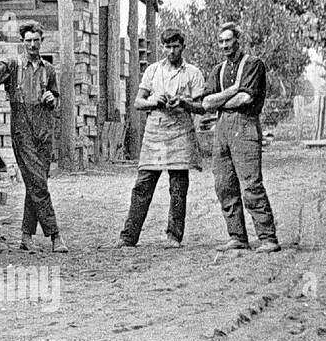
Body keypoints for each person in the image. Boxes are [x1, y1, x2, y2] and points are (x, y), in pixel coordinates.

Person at [114, 28, 207, 248]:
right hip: (155, 132)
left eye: (176, 46)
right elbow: (138, 102)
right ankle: (128, 236)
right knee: (143, 184)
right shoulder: (153, 71)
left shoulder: (192, 73)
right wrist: (155, 101)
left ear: (183, 47)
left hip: (180, 133)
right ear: (162, 47)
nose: (171, 51)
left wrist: (183, 103)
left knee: (178, 186)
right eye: (167, 47)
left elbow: (201, 107)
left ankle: (174, 236)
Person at [0, 21, 68, 252]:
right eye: (28, 41)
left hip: (44, 132)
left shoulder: (49, 70)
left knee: (36, 184)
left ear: (41, 42)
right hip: (22, 131)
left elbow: (56, 98)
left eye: (36, 40)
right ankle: (55, 236)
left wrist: (52, 100)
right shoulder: (14, 66)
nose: (33, 45)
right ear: (21, 42)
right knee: (38, 184)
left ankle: (26, 236)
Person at [202, 23, 280, 253]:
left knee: (250, 184)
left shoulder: (253, 64)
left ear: (238, 41)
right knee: (224, 185)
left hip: (245, 127)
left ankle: (268, 238)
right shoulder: (218, 70)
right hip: (222, 129)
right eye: (221, 41)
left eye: (229, 40)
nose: (225, 45)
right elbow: (206, 103)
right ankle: (237, 236)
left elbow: (245, 99)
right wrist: (231, 91)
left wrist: (222, 100)